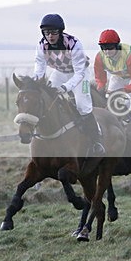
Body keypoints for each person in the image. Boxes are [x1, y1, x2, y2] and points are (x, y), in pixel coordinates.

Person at [33, 13, 104, 156]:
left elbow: (78, 73)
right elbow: (39, 71)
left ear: (60, 31)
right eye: (47, 33)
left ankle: (96, 141)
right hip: (60, 72)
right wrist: (36, 86)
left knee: (82, 105)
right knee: (48, 98)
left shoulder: (74, 43)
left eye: (53, 32)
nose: (50, 36)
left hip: (80, 74)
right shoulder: (41, 46)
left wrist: (66, 87)